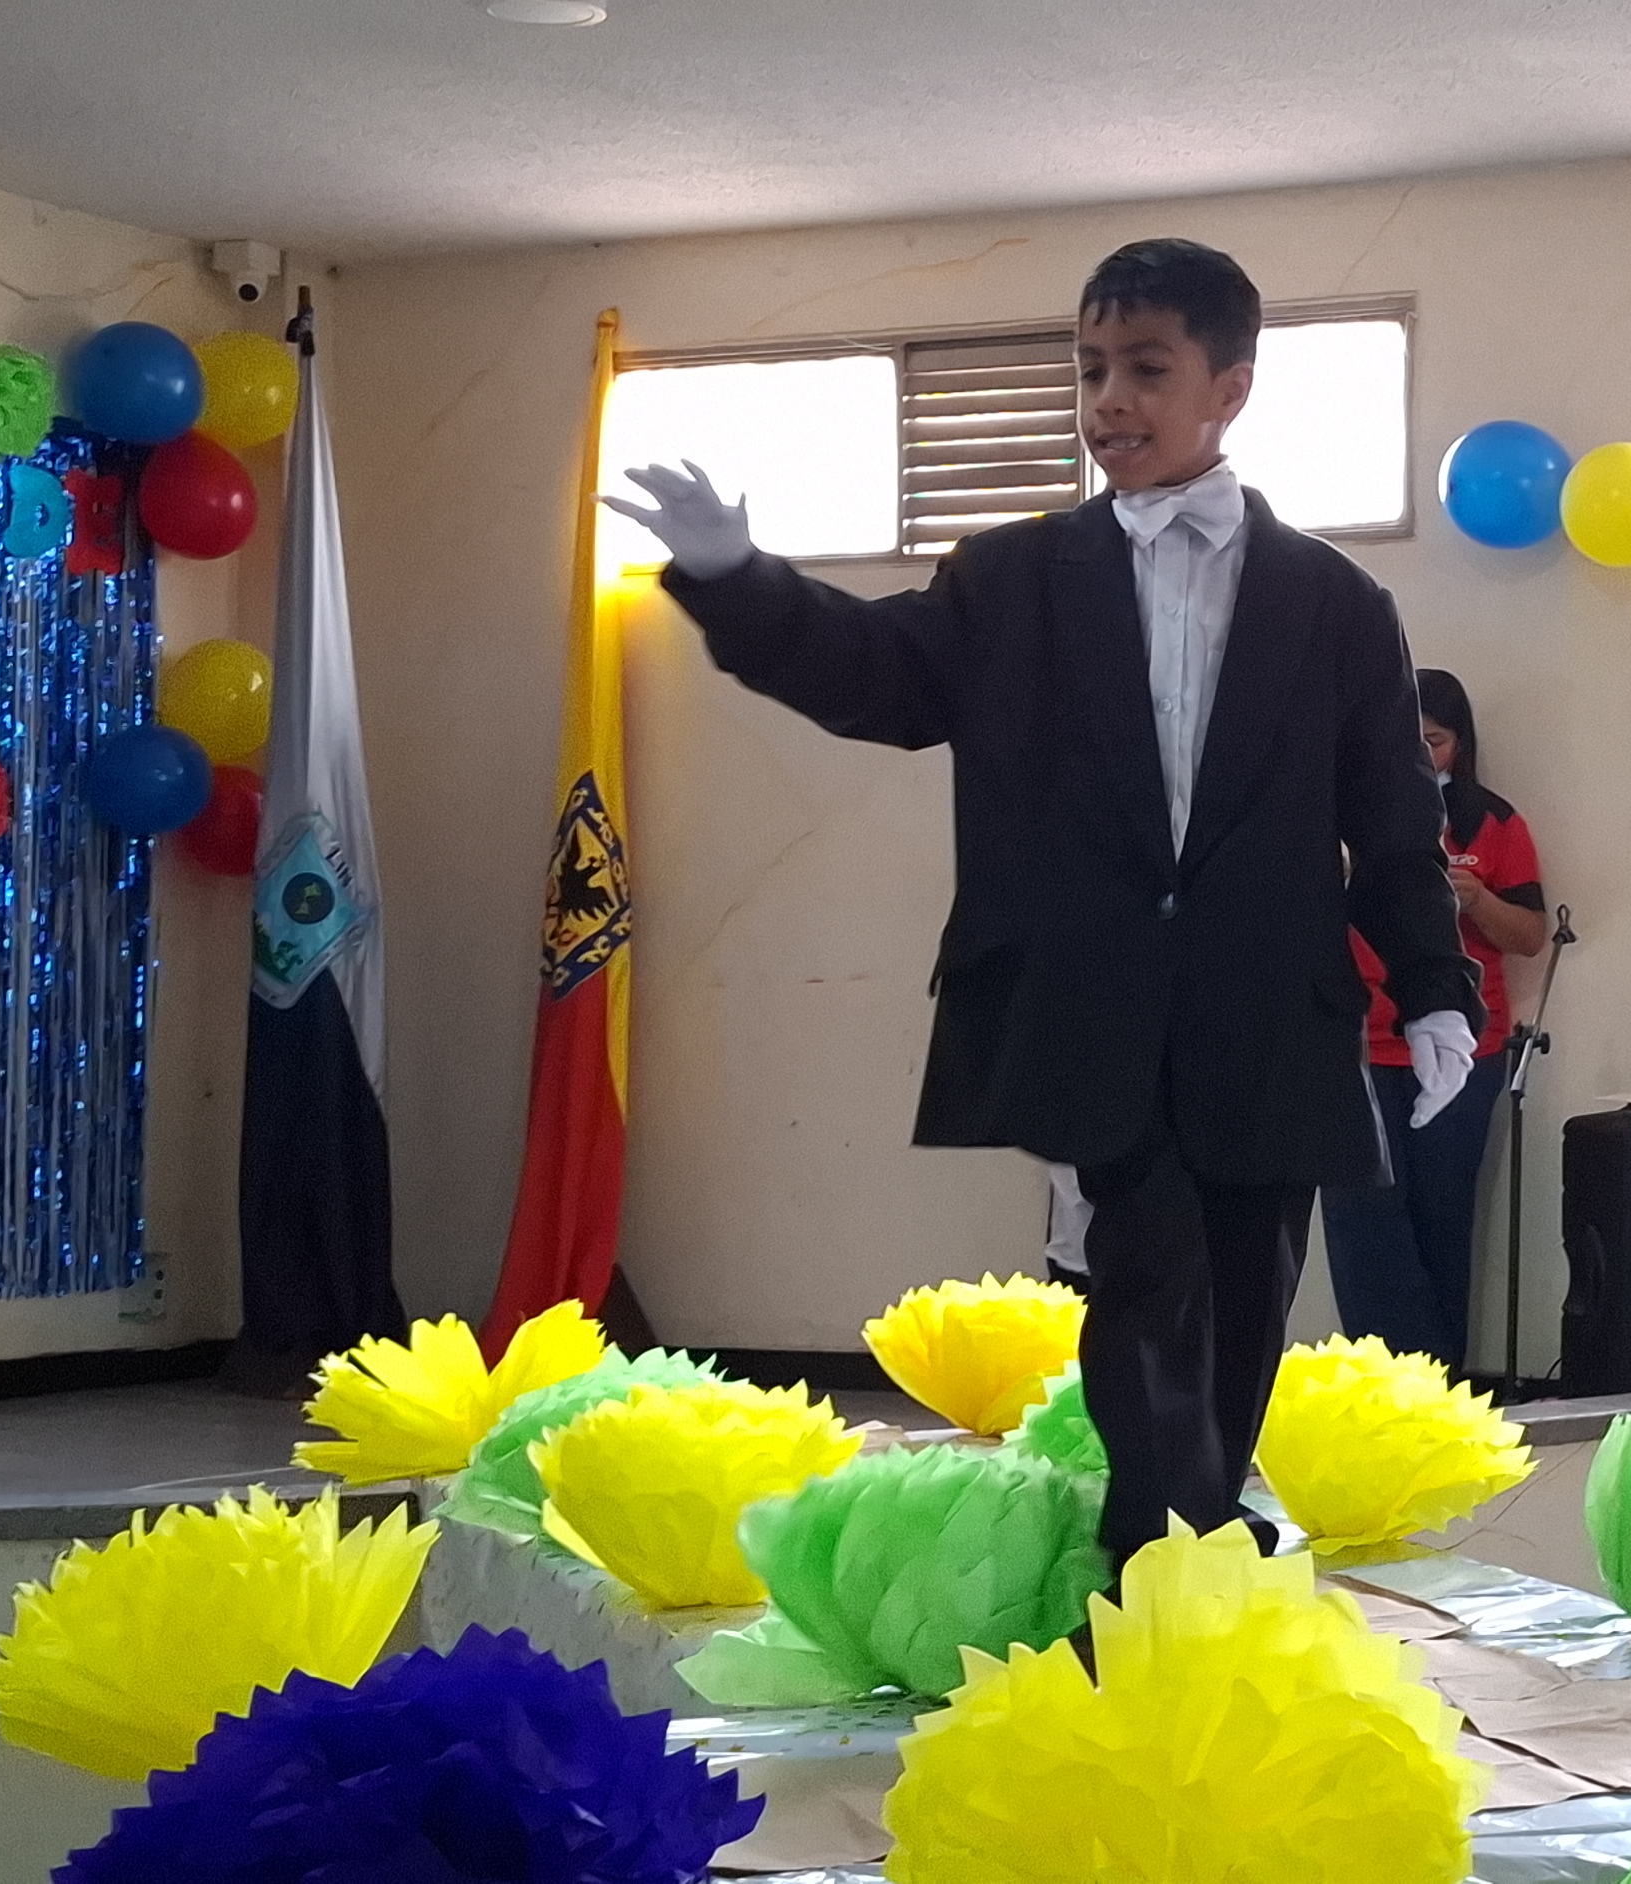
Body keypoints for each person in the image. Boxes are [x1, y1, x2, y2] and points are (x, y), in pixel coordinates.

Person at [605, 239, 1482, 1565]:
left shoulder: (1338, 602)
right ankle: (1159, 1558)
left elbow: (1394, 818)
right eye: (1090, 371)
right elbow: (877, 676)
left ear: (1230, 387)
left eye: (1146, 369)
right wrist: (740, 580)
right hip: (1089, 1004)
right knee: (1146, 1278)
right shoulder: (1010, 578)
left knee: (1247, 1290)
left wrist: (1432, 990)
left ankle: (1198, 1521)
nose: (1108, 401)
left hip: (1267, 1010)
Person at [1321, 669, 1546, 1368]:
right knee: (1361, 1227)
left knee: (1442, 1222)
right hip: (1352, 1046)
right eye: (1406, 740)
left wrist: (1476, 899)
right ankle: (1382, 1384)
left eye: (1436, 741)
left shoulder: (1494, 824)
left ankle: (1439, 1386)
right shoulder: (1336, 815)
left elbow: (1530, 935)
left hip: (1461, 1049)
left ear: (1462, 743)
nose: (1421, 755)